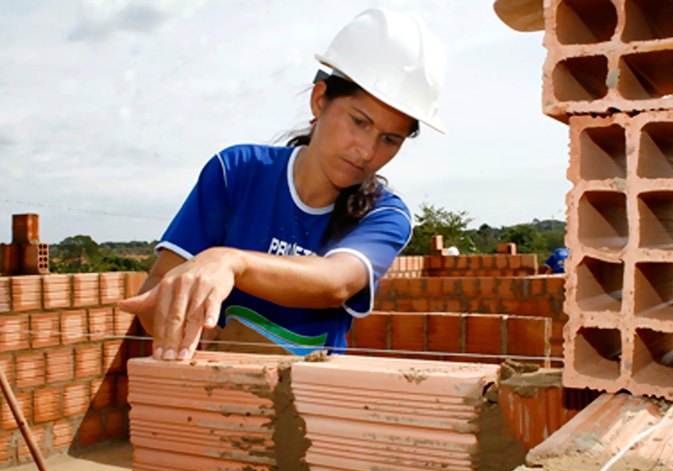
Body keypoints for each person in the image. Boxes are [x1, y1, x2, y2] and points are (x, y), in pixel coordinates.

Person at [119, 8, 446, 361]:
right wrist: (180, 312)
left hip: (310, 404)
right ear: (320, 99)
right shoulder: (236, 173)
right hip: (214, 398)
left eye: (390, 139)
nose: (366, 151)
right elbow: (156, 301)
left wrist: (231, 262)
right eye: (358, 122)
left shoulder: (385, 215)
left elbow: (336, 282)